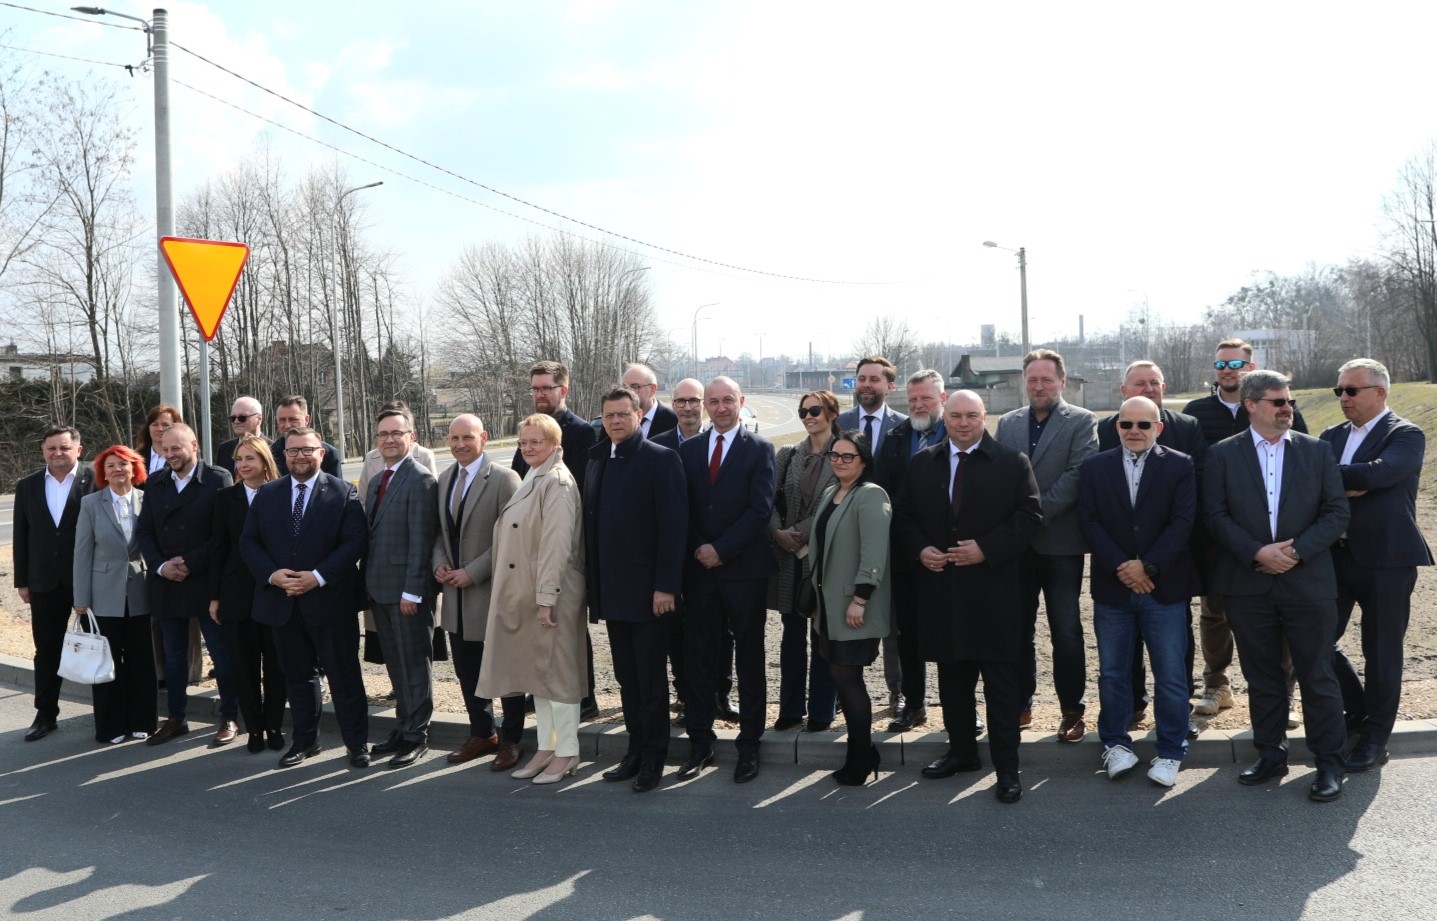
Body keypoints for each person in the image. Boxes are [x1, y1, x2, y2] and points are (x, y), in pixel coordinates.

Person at [1204, 369, 1350, 802]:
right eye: (1278, 402)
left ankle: (1329, 764)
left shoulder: (1317, 451)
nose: (1288, 408)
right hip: (1248, 584)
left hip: (1308, 583)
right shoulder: (1221, 455)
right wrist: (1257, 553)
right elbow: (1214, 516)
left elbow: (1337, 513)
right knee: (1262, 675)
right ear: (1251, 405)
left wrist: (1295, 551)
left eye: (1290, 402)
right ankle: (1271, 755)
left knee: (1317, 674)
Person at [895, 390, 1041, 803]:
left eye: (971, 416)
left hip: (994, 595)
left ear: (985, 417)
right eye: (955, 416)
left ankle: (1007, 769)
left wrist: (986, 549)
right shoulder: (923, 463)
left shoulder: (1012, 463)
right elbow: (902, 516)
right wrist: (920, 549)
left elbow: (1031, 517)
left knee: (1001, 688)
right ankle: (961, 753)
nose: (962, 423)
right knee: (953, 682)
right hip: (942, 593)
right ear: (946, 416)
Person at [1078, 397, 1201, 787]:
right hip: (1113, 588)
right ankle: (1115, 744)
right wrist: (1123, 567)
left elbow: (1183, 523)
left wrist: (1146, 567)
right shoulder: (1095, 467)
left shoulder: (1180, 465)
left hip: (1163, 587)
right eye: (1126, 423)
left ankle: (1170, 750)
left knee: (1170, 675)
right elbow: (1090, 522)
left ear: (1158, 427)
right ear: (1116, 427)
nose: (1134, 431)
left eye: (1143, 425)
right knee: (1113, 673)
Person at [1183, 337, 1308, 718]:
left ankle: (1282, 692)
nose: (1226, 370)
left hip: (1272, 534)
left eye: (1236, 365)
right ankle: (1216, 684)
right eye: (1221, 364)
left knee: (1278, 613)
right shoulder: (1196, 413)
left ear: (1250, 369)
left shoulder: (1283, 409)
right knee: (1214, 612)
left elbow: (1303, 464)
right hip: (1217, 532)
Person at [1320, 359, 1433, 773]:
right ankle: (1359, 709)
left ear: (1380, 392)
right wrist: (1351, 482)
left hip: (1389, 560)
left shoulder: (1404, 433)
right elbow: (1327, 481)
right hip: (1335, 557)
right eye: (1339, 391)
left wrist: (1346, 478)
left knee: (1382, 654)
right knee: (1315, 640)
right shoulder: (1331, 435)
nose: (1343, 398)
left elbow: (1382, 474)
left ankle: (1374, 741)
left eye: (1352, 391)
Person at [240, 426, 371, 769]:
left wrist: (318, 577)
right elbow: (249, 542)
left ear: (321, 453)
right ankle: (305, 742)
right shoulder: (267, 494)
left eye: (307, 450)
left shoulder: (343, 492)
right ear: (283, 456)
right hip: (283, 603)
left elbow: (354, 542)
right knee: (297, 678)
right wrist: (273, 575)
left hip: (330, 603)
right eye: (293, 451)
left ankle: (356, 744)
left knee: (344, 678)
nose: (300, 456)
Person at [585, 387, 687, 793]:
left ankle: (654, 757)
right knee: (627, 678)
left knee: (650, 679)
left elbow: (673, 528)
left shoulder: (661, 459)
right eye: (608, 415)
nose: (614, 421)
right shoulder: (597, 460)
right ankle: (634, 750)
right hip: (612, 592)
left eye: (622, 414)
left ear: (640, 415)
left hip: (650, 595)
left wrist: (666, 586)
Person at [676, 376, 777, 784]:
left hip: (743, 572)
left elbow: (760, 510)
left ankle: (749, 745)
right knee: (699, 658)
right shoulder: (690, 450)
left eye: (727, 401)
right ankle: (700, 743)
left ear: (741, 402)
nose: (719, 408)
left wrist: (721, 548)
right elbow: (683, 507)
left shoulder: (761, 449)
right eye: (712, 402)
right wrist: (702, 547)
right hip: (700, 574)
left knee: (750, 660)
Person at [1096, 360, 1206, 732]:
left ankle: (1177, 718)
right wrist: (1124, 564)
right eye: (1138, 383)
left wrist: (1152, 563)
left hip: (1171, 564)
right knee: (1121, 655)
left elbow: (1190, 505)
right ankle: (1130, 708)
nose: (1147, 388)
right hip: (1119, 567)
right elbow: (1096, 510)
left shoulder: (1187, 429)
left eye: (1154, 383)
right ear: (1124, 391)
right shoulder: (1106, 433)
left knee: (1174, 653)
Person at [479, 413, 588, 785]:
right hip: (532, 593)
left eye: (536, 442)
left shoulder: (556, 482)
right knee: (538, 677)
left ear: (555, 445)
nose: (527, 448)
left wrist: (547, 598)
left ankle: (568, 751)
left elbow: (557, 546)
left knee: (559, 678)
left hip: (550, 596)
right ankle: (547, 747)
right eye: (523, 442)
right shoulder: (535, 475)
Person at [995, 349, 1098, 741]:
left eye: (1046, 379)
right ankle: (1020, 704)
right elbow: (1002, 475)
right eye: (1032, 380)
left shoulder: (1082, 421)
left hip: (1061, 544)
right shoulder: (1007, 423)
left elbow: (1079, 473)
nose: (1039, 386)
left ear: (1062, 382)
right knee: (1017, 629)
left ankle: (1072, 710)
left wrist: (1033, 514)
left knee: (1067, 631)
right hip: (1017, 548)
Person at [135, 423, 238, 747]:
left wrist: (190, 563)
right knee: (174, 657)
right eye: (165, 450)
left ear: (194, 445)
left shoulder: (218, 478)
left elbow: (222, 535)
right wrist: (163, 566)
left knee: (221, 654)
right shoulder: (155, 482)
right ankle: (176, 718)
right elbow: (145, 532)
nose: (170, 455)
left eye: (176, 448)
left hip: (206, 581)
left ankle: (229, 716)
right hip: (168, 582)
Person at [432, 414, 526, 770]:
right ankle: (482, 733)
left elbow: (512, 536)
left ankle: (512, 739)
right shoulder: (444, 479)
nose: (459, 445)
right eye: (453, 438)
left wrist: (473, 572)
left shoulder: (504, 479)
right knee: (467, 671)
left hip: (491, 593)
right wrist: (439, 564)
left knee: (506, 672)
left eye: (467, 437)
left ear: (483, 438)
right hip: (455, 598)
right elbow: (439, 533)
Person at [511, 359, 598, 718]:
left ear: (564, 390)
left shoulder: (579, 432)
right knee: (544, 628)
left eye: (547, 387)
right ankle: (547, 691)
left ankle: (584, 695)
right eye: (535, 388)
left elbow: (576, 489)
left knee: (568, 628)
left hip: (564, 541)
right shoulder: (532, 430)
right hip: (532, 544)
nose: (540, 394)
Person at [810, 431, 892, 785]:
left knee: (849, 679)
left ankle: (861, 756)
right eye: (835, 455)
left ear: (863, 461)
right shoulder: (831, 493)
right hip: (827, 606)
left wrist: (860, 599)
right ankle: (863, 751)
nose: (839, 462)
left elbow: (874, 554)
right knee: (840, 677)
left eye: (848, 457)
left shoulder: (871, 495)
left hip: (854, 606)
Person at [363, 407, 440, 769]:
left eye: (397, 433)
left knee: (414, 665)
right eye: (383, 434)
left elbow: (422, 542)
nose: (390, 439)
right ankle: (403, 725)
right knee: (395, 665)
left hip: (406, 594)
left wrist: (414, 591)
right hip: (380, 589)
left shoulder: (420, 479)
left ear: (412, 437)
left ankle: (417, 736)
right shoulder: (381, 478)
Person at [875, 369, 948, 733]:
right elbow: (890, 501)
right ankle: (913, 704)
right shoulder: (895, 438)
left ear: (942, 400)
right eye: (913, 399)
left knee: (955, 634)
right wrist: (918, 546)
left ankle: (959, 708)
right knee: (909, 635)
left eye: (927, 399)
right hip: (907, 553)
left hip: (954, 557)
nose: (919, 405)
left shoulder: (961, 432)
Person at [13, 425, 94, 741]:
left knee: (97, 646)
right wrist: (22, 580)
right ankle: (45, 714)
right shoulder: (28, 486)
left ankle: (107, 712)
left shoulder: (95, 480)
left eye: (63, 447)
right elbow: (22, 535)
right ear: (43, 451)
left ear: (79, 449)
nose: (57, 453)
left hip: (87, 579)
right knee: (46, 650)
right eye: (51, 448)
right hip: (44, 582)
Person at [208, 434, 288, 754]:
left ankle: (273, 725)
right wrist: (215, 597)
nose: (242, 465)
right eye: (238, 460)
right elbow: (218, 550)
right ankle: (254, 729)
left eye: (249, 458)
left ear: (264, 461)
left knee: (275, 666)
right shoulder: (224, 499)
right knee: (243, 666)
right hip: (236, 595)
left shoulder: (281, 494)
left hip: (273, 592)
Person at [837, 355, 908, 712]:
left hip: (892, 539)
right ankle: (846, 693)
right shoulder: (841, 423)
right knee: (847, 614)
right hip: (847, 538)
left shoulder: (905, 427)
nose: (866, 385)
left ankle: (898, 691)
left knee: (892, 622)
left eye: (874, 379)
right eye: (861, 378)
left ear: (889, 385)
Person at [72, 445, 155, 744]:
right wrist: (80, 598)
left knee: (142, 660)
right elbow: (82, 552)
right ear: (102, 473)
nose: (117, 470)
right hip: (102, 596)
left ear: (135, 468)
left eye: (123, 464)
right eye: (110, 466)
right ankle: (111, 726)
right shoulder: (91, 504)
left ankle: (143, 721)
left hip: (140, 592)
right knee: (105, 664)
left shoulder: (148, 500)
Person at [767, 390, 840, 733]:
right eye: (803, 412)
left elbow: (843, 499)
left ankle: (823, 710)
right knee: (791, 636)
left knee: (823, 635)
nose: (809, 416)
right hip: (789, 561)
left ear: (831, 413)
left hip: (826, 558)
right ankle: (791, 708)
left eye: (815, 410)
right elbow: (767, 499)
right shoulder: (787, 454)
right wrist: (778, 532)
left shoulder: (845, 453)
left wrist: (801, 530)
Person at [652, 377, 718, 725]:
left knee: (720, 633)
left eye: (694, 400)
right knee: (677, 632)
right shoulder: (658, 446)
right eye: (681, 401)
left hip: (713, 557)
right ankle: (684, 696)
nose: (688, 407)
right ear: (672, 405)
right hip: (674, 558)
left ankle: (720, 695)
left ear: (704, 404)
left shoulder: (716, 442)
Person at [270, 396, 341, 478]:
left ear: (307, 420)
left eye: (293, 419)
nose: (287, 425)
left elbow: (336, 488)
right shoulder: (270, 454)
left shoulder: (329, 455)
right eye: (282, 420)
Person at [622, 362, 678, 439]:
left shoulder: (674, 419)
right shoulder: (614, 419)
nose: (628, 392)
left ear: (652, 389)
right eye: (625, 388)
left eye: (635, 387)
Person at [214, 397, 265, 476]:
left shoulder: (273, 449)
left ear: (259, 419)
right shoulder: (224, 449)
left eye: (242, 418)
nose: (236, 421)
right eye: (233, 418)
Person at [136, 404, 181, 476]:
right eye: (155, 424)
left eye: (165, 425)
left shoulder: (181, 458)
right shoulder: (135, 458)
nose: (160, 429)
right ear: (148, 428)